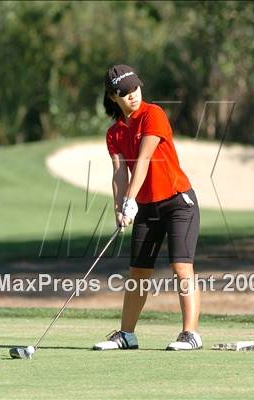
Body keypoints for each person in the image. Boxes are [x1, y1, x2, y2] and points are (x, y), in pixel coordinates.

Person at [93, 64, 202, 351]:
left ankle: (190, 334)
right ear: (113, 96)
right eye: (125, 93)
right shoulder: (114, 133)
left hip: (178, 202)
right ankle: (127, 334)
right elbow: (119, 172)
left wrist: (130, 200)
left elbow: (144, 160)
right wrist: (120, 207)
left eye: (135, 89)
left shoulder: (153, 114)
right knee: (138, 273)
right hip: (146, 207)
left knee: (181, 267)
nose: (133, 96)